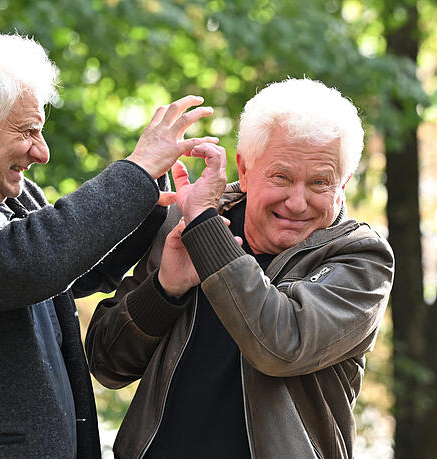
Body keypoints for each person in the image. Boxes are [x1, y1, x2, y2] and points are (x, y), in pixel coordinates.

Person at [0, 32, 222, 457]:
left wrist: (156, 187)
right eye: (28, 131)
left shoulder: (11, 195)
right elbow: (26, 262)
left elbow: (75, 270)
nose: (42, 153)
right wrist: (134, 172)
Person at [85, 78, 395, 458]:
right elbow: (107, 364)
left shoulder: (361, 257)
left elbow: (281, 344)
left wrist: (206, 233)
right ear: (244, 170)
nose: (298, 202)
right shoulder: (186, 221)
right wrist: (165, 289)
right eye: (281, 177)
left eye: (319, 182)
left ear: (343, 184)